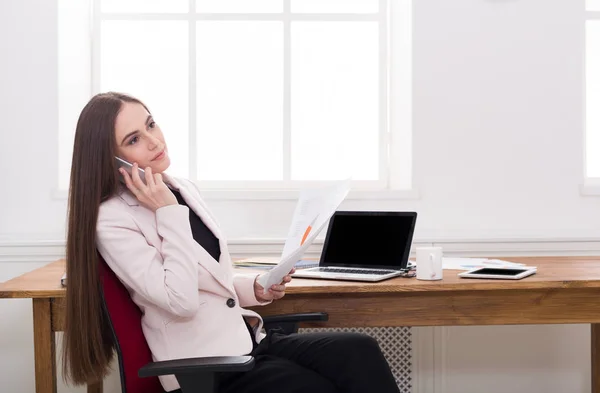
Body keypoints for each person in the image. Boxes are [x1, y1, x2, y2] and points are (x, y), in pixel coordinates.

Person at [62, 92, 400, 393]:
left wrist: (256, 286)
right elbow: (180, 300)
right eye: (134, 139)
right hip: (207, 367)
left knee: (360, 351)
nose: (154, 141)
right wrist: (168, 212)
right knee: (317, 387)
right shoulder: (113, 219)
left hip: (246, 341)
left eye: (151, 125)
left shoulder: (181, 188)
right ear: (111, 159)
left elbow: (206, 280)